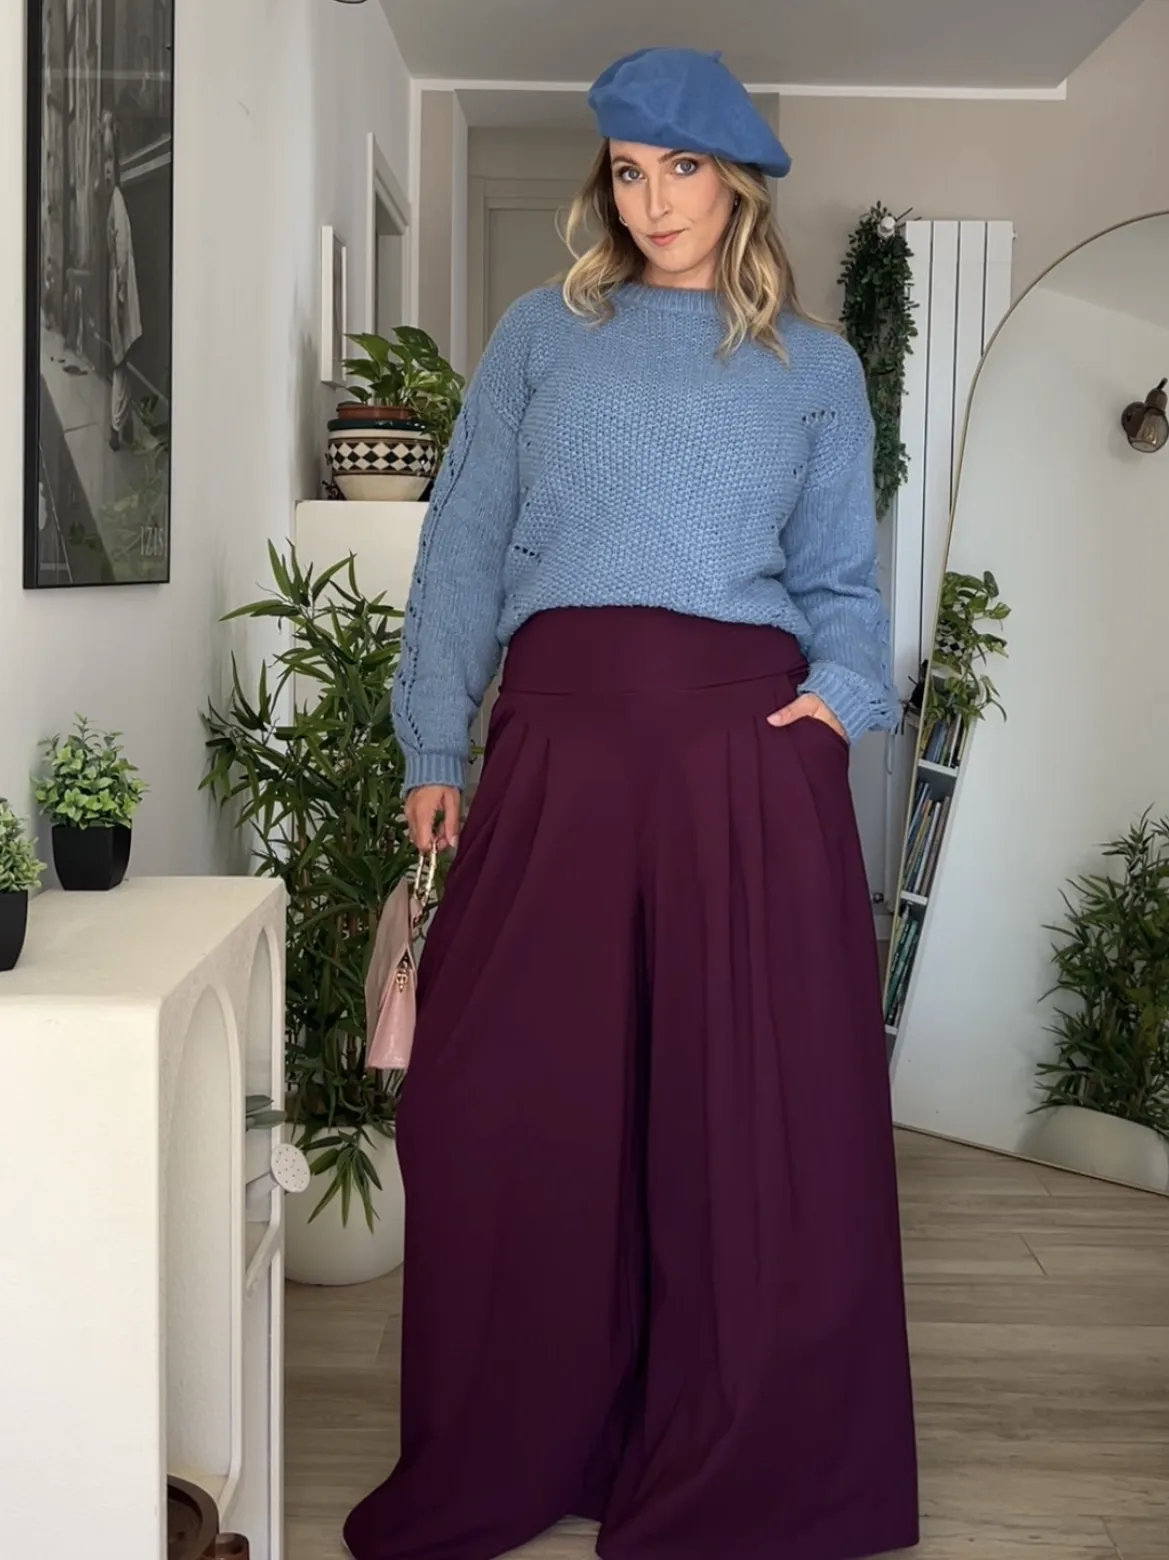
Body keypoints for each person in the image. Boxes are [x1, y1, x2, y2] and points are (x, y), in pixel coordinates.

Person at [346, 45, 919, 1560]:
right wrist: (434, 746)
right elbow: (465, 546)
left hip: (745, 766)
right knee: (503, 1105)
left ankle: (728, 1455)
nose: (654, 200)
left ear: (736, 181)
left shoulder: (816, 370)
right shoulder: (543, 335)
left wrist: (834, 710)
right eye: (627, 170)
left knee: (737, 1129)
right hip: (556, 755)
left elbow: (842, 587)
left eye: (682, 168)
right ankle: (531, 1440)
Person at [102, 114, 142, 451]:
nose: (106, 173)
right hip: (119, 285)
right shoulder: (114, 199)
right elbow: (120, 249)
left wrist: (118, 291)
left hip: (121, 286)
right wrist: (118, 291)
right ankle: (121, 425)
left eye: (109, 166)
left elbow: (122, 249)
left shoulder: (116, 199)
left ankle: (120, 425)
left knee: (122, 358)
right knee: (121, 358)